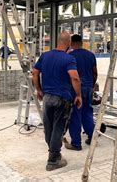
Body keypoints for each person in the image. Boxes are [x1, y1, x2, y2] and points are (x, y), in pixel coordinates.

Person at [32, 32, 83, 171]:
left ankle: (54, 152)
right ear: (68, 43)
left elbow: (35, 72)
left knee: (49, 127)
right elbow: (75, 78)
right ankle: (53, 160)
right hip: (62, 98)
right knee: (58, 128)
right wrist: (78, 95)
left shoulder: (45, 56)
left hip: (47, 98)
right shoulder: (69, 59)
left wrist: (39, 89)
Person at [64, 34, 97, 151]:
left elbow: (70, 76)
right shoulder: (90, 55)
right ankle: (92, 137)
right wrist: (91, 86)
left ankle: (76, 144)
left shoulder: (69, 56)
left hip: (75, 89)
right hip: (88, 87)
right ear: (82, 42)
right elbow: (94, 73)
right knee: (87, 112)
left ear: (71, 43)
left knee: (75, 114)